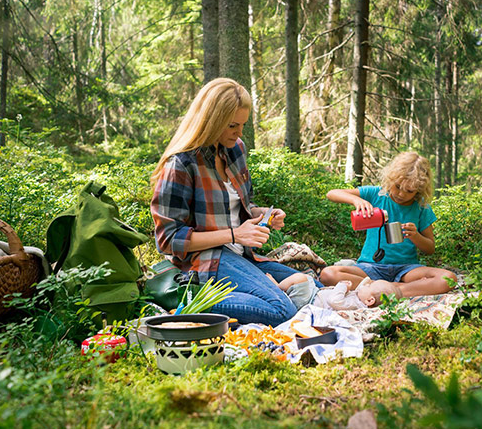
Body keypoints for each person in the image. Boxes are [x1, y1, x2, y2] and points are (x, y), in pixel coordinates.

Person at [150, 77, 306, 326]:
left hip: (240, 256)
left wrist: (263, 214)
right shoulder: (180, 164)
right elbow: (167, 240)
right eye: (233, 125)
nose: (240, 132)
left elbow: (241, 207)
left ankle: (246, 302)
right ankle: (186, 300)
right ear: (212, 121)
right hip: (205, 261)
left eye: (243, 124)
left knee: (310, 285)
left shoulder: (235, 148)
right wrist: (234, 235)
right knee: (281, 311)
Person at [319, 151, 457, 297]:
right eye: (397, 186)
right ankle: (394, 288)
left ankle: (391, 289)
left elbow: (430, 248)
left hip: (406, 269)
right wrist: (357, 200)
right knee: (328, 274)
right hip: (370, 267)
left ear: (419, 189)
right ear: (390, 179)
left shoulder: (421, 208)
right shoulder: (376, 194)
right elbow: (332, 193)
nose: (401, 194)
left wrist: (416, 236)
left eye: (409, 191)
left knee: (448, 279)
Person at [266, 273, 401, 311]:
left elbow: (334, 301)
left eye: (369, 287)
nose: (364, 286)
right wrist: (366, 285)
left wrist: (342, 286)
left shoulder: (354, 305)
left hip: (308, 302)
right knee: (307, 278)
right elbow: (363, 285)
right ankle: (283, 289)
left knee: (300, 279)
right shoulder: (361, 299)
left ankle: (277, 288)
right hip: (316, 294)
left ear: (370, 301)